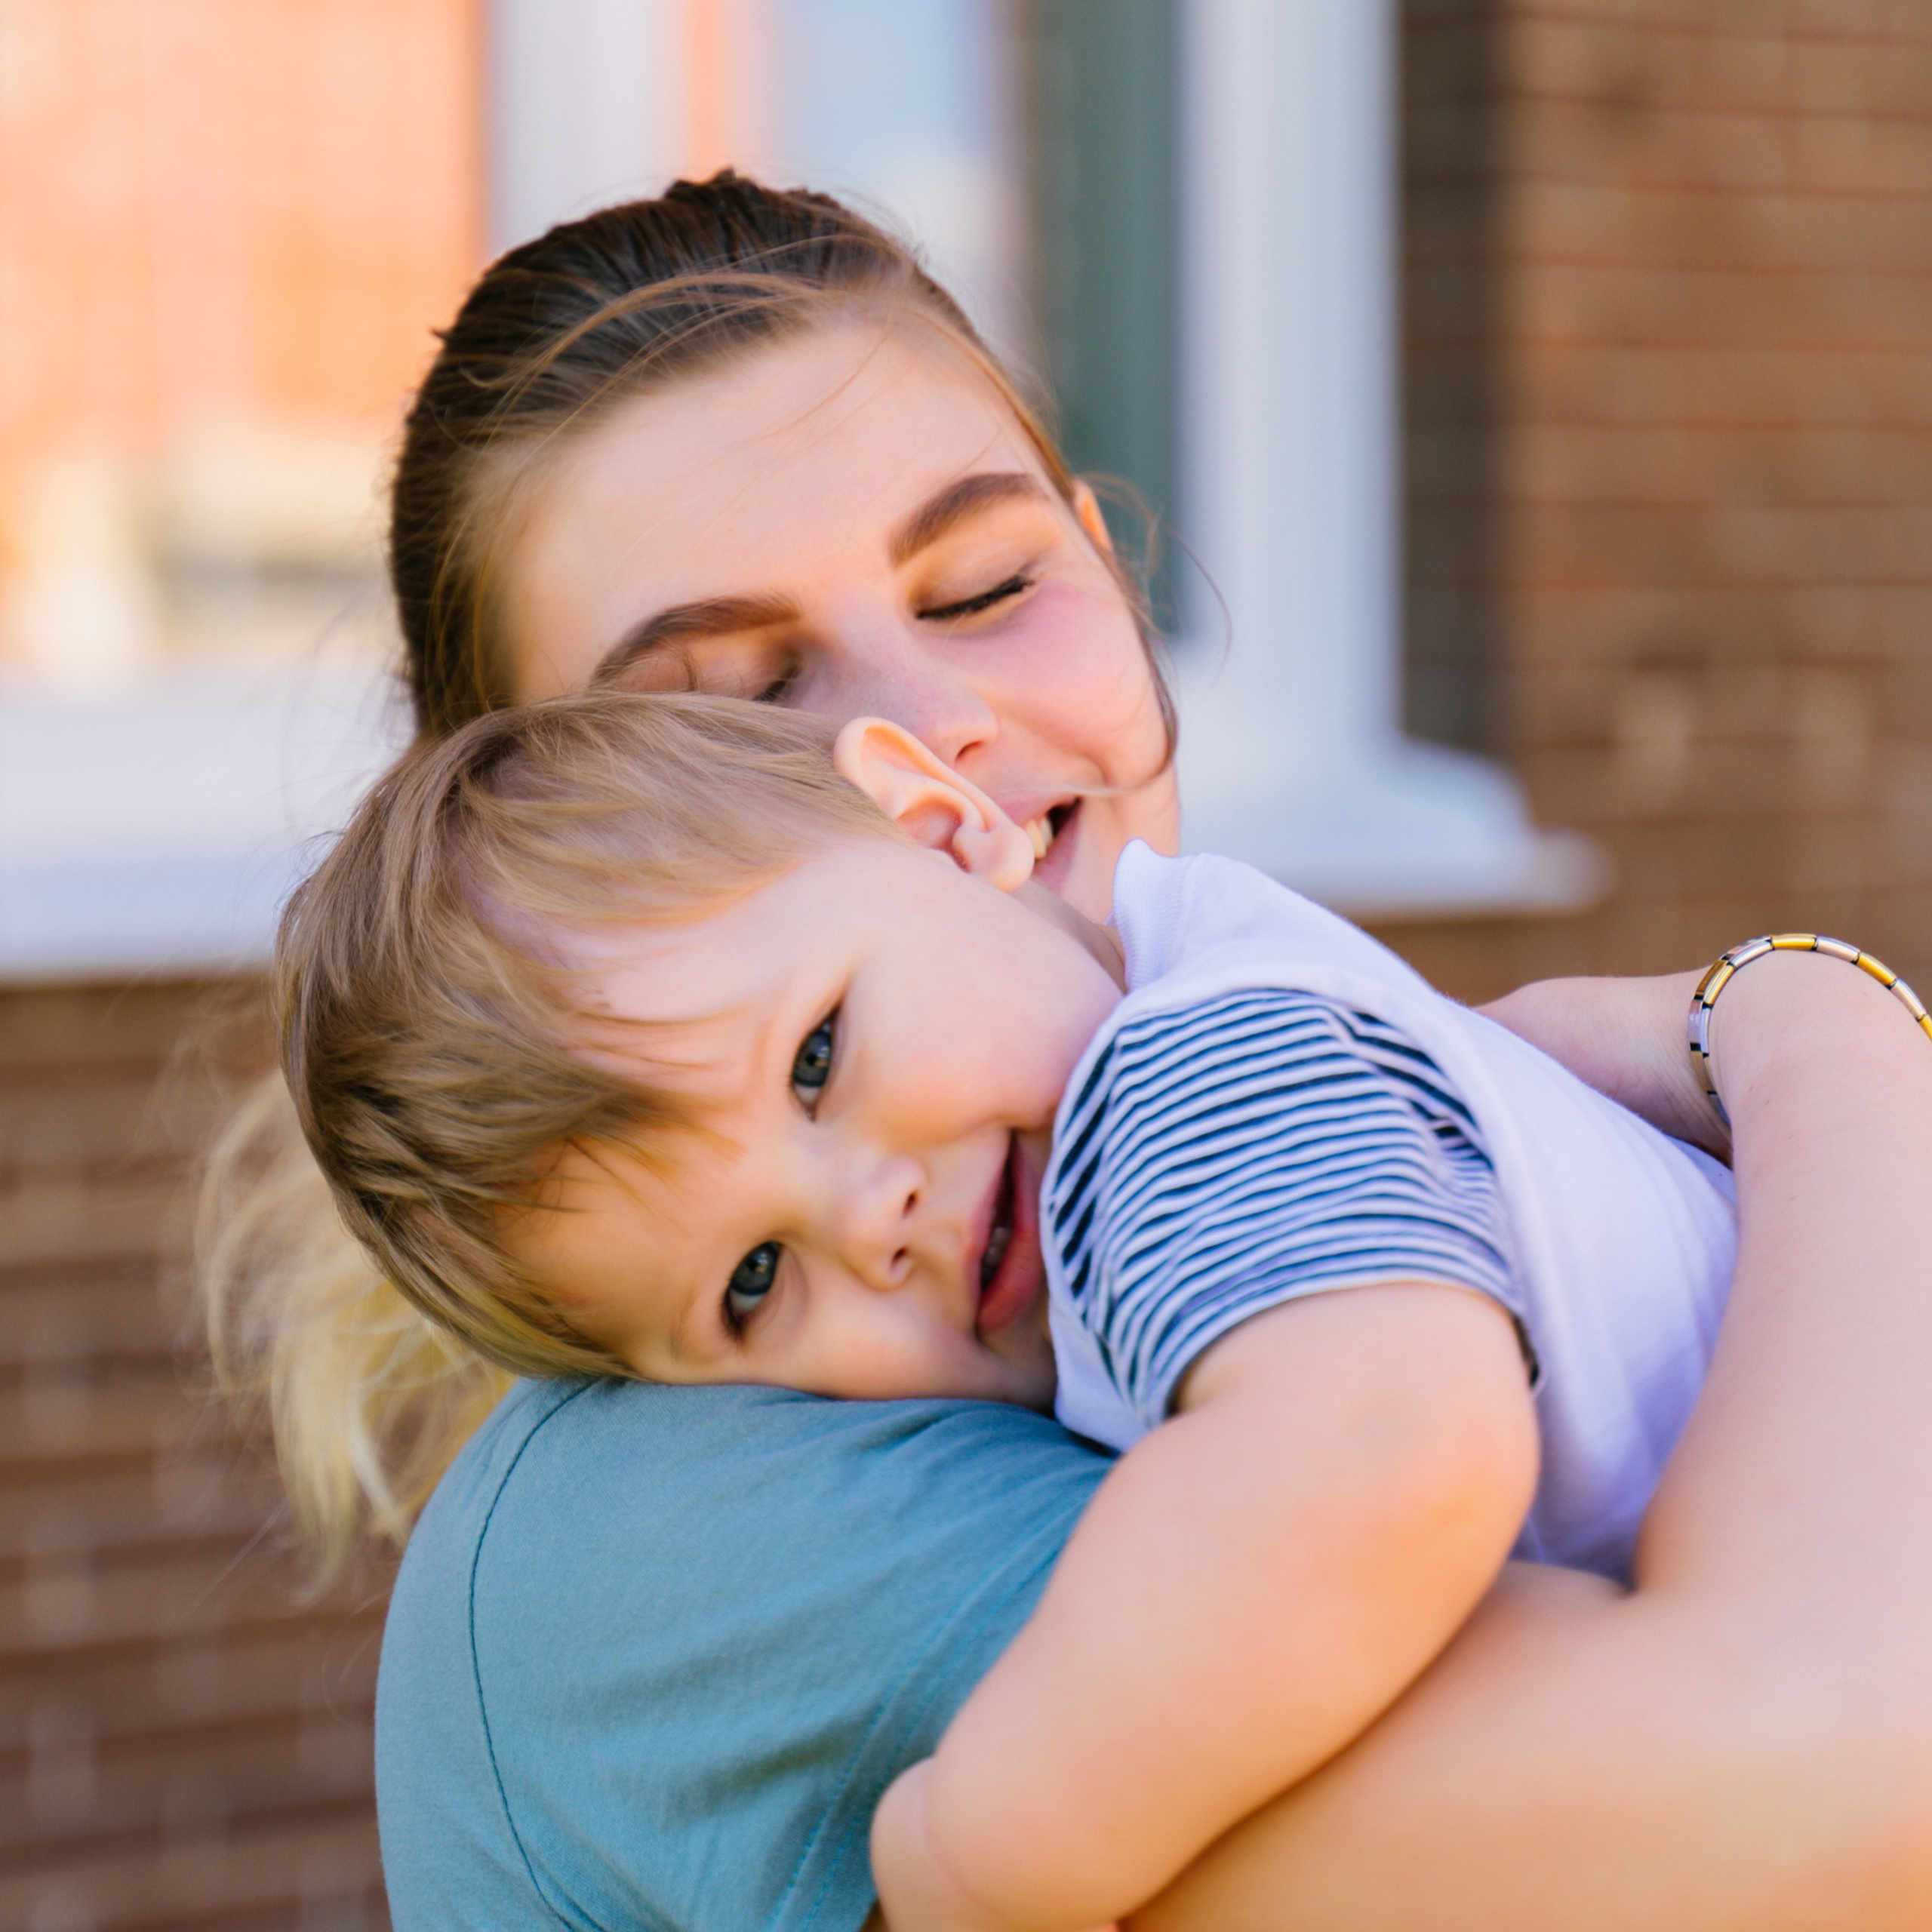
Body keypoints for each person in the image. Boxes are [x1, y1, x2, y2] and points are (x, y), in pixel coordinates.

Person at [205, 173, 1932, 1928]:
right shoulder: (680, 1518)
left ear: (1103, 567)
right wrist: (1814, 1026)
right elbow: (1850, 1769)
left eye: (977, 583)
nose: (928, 726)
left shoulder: (1205, 1085)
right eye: (732, 708)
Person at [276, 687, 1766, 1932]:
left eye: (814, 1058)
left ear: (941, 827)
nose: (869, 1222)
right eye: (751, 1280)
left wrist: (987, 1839)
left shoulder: (1179, 1082)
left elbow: (1384, 1453)